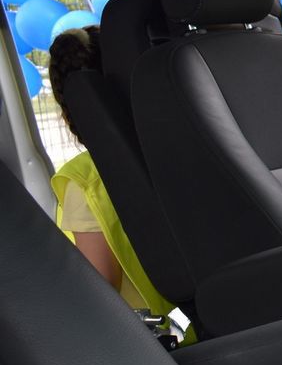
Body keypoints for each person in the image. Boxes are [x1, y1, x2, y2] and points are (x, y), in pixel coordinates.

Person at [48, 26, 195, 345]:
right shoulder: (184, 144)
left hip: (167, 335)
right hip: (206, 311)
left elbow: (98, 287)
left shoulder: (84, 178)